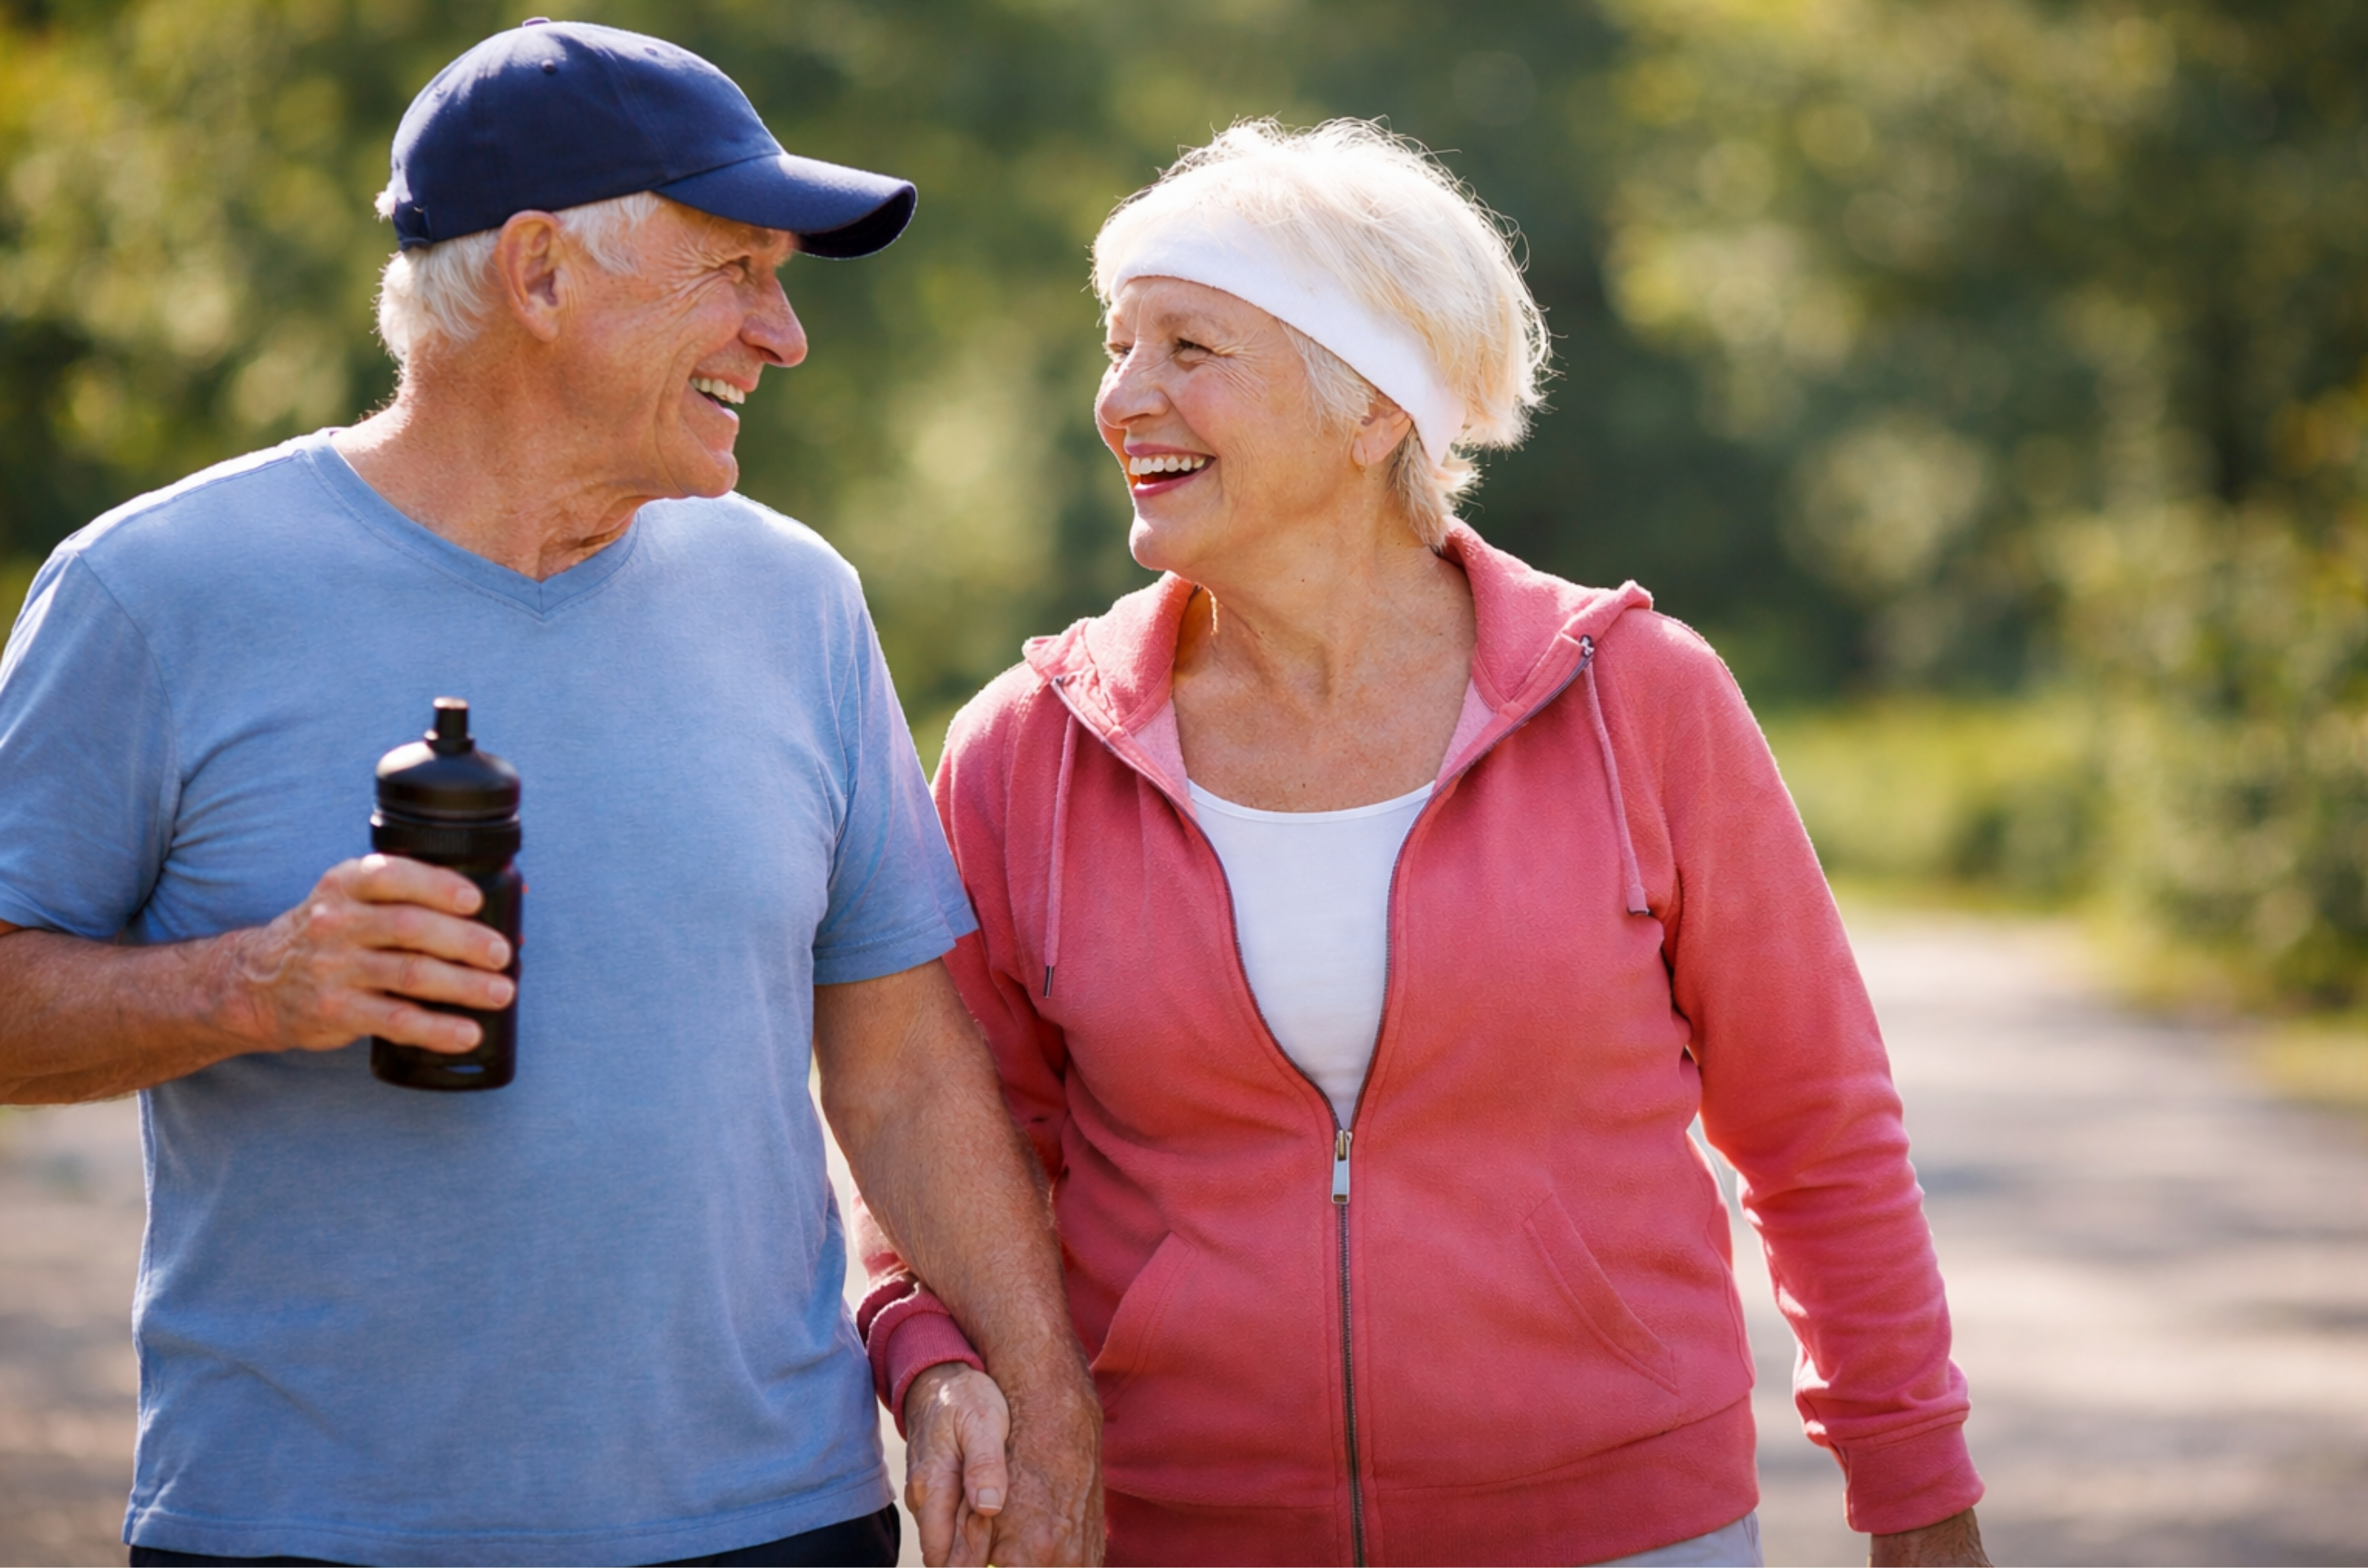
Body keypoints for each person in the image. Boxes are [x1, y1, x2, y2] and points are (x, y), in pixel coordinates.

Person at [0, 23, 1097, 1568]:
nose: (782, 335)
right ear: (538, 276)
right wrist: (257, 983)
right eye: (736, 271)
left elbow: (905, 1067)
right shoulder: (151, 593)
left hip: (775, 1524)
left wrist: (1043, 1406)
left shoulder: (795, 598)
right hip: (312, 1532)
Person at [886, 120, 1991, 1566]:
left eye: (1188, 349)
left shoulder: (1637, 699)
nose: (1120, 398)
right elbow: (942, 1139)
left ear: (1372, 408)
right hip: (1180, 1527)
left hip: (1616, 1525)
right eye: (1118, 346)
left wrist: (1913, 1489)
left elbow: (1818, 1129)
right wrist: (931, 1355)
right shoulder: (1028, 749)